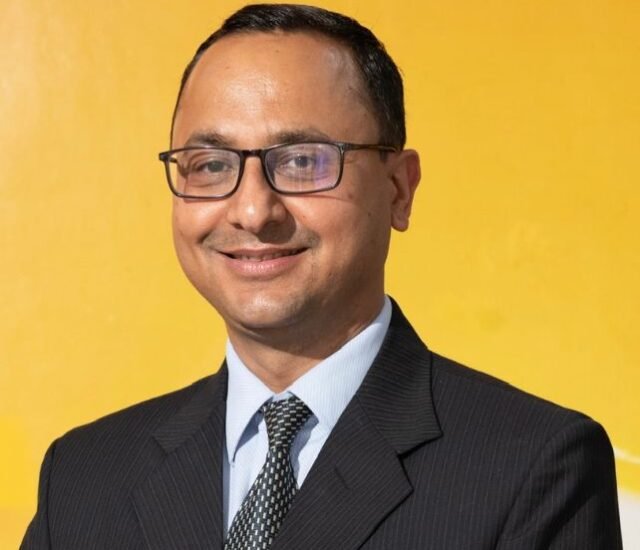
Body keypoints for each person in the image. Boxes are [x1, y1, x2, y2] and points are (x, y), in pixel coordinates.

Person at [22, 3, 622, 549]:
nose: (252, 210)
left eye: (302, 161)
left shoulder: (532, 467)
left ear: (398, 189)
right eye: (210, 165)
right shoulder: (83, 478)